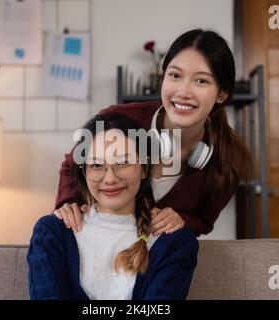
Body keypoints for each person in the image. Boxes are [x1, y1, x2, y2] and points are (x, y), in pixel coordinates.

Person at [55, 28, 252, 237]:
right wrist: (68, 204)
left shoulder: (231, 158)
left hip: (153, 260)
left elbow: (203, 220)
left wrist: (181, 220)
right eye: (175, 75)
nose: (183, 92)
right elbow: (72, 165)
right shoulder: (118, 119)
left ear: (222, 94)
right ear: (163, 78)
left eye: (201, 80)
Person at [27, 114, 198, 300]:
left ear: (144, 169)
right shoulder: (52, 232)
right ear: (84, 172)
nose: (110, 179)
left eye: (124, 163)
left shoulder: (174, 242)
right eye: (97, 165)